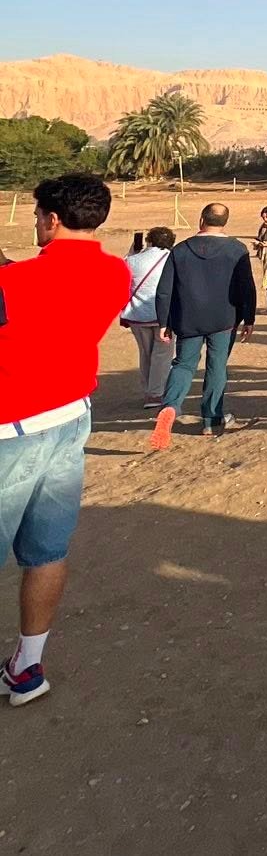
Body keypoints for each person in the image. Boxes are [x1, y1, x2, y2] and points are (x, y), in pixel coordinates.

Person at [0, 175, 130, 706]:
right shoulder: (116, 272)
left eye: (38, 216)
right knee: (47, 552)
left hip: (11, 430)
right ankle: (27, 667)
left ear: (52, 219)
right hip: (70, 418)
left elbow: (24, 293)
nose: (36, 223)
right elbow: (49, 294)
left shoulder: (14, 282)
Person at [149, 203, 256, 448]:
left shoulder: (180, 250)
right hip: (224, 319)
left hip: (188, 319)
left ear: (201, 220)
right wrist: (248, 318)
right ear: (225, 223)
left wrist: (164, 321)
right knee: (217, 366)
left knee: (183, 364)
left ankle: (170, 407)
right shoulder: (236, 249)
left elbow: (164, 290)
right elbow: (246, 287)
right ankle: (211, 419)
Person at [119, 226, 176, 406]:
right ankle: (155, 393)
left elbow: (122, 279)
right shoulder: (172, 258)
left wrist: (132, 252)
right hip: (164, 314)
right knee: (162, 354)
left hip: (137, 314)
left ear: (149, 241)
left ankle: (149, 390)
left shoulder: (132, 260)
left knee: (145, 353)